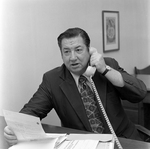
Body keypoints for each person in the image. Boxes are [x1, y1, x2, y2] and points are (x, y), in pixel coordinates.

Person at [4, 27, 147, 146]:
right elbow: (32, 110)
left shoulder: (108, 65)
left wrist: (105, 70)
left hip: (122, 140)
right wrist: (16, 129)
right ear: (61, 54)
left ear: (89, 50)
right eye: (66, 51)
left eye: (78, 50)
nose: (72, 57)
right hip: (83, 144)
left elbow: (139, 93)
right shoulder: (52, 79)